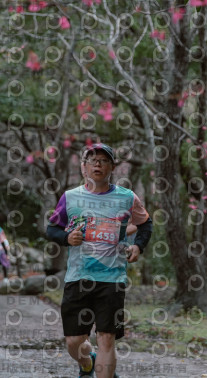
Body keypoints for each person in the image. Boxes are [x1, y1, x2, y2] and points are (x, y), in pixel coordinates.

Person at [46, 143, 153, 378]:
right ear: (84, 167)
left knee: (106, 337)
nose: (98, 164)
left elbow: (145, 223)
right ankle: (87, 363)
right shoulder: (70, 197)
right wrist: (66, 238)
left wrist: (138, 246)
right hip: (78, 278)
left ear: (112, 167)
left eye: (104, 160)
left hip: (112, 279)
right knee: (74, 341)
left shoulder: (127, 197)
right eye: (93, 160)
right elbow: (52, 229)